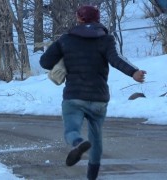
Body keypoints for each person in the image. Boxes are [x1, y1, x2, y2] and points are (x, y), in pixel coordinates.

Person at [39, 5, 146, 180]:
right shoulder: (106, 39)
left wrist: (64, 59)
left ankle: (78, 143)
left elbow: (44, 62)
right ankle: (92, 177)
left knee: (71, 130)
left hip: (74, 96)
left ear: (79, 19)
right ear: (97, 20)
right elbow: (116, 59)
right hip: (98, 98)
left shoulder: (66, 39)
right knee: (96, 136)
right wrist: (133, 72)